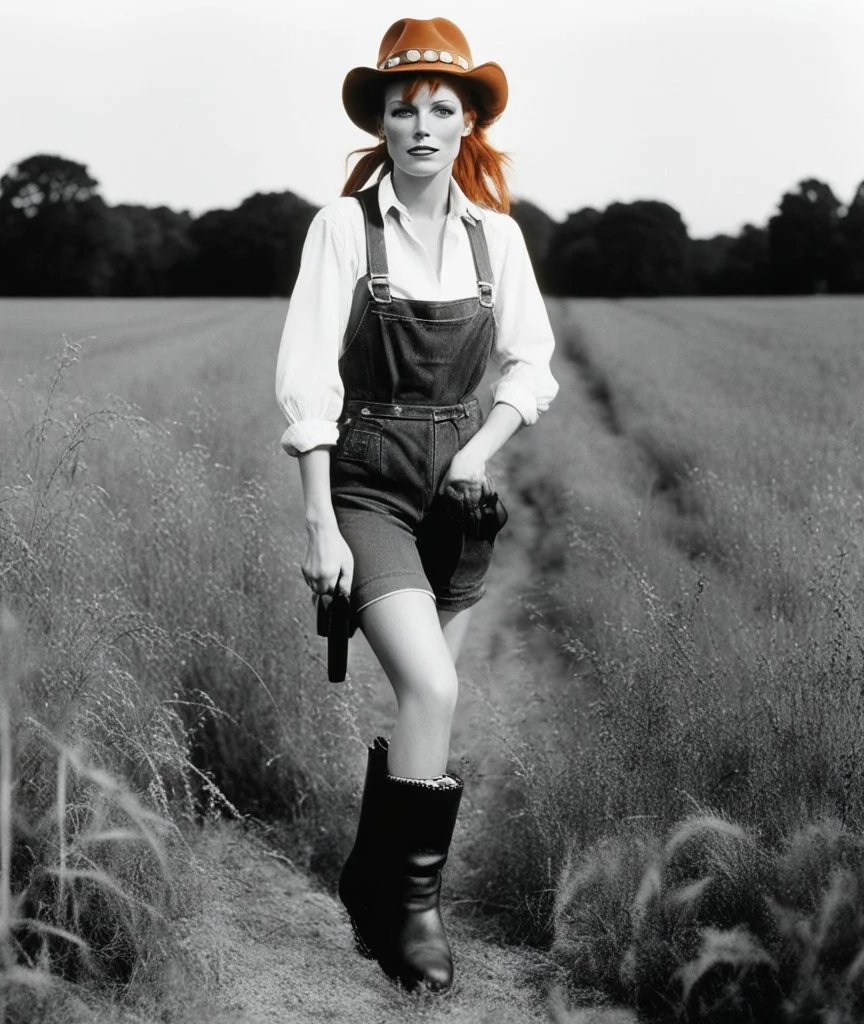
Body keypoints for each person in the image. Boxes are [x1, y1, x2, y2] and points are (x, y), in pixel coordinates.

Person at [275, 17, 558, 993]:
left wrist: (479, 450)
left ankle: (366, 876)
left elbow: (532, 366)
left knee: (421, 705)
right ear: (383, 124)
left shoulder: (497, 239)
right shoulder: (341, 227)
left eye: (444, 107)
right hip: (368, 485)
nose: (424, 125)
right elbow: (308, 377)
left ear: (468, 122)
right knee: (435, 691)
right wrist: (319, 521)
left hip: (460, 495)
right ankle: (410, 915)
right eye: (406, 109)